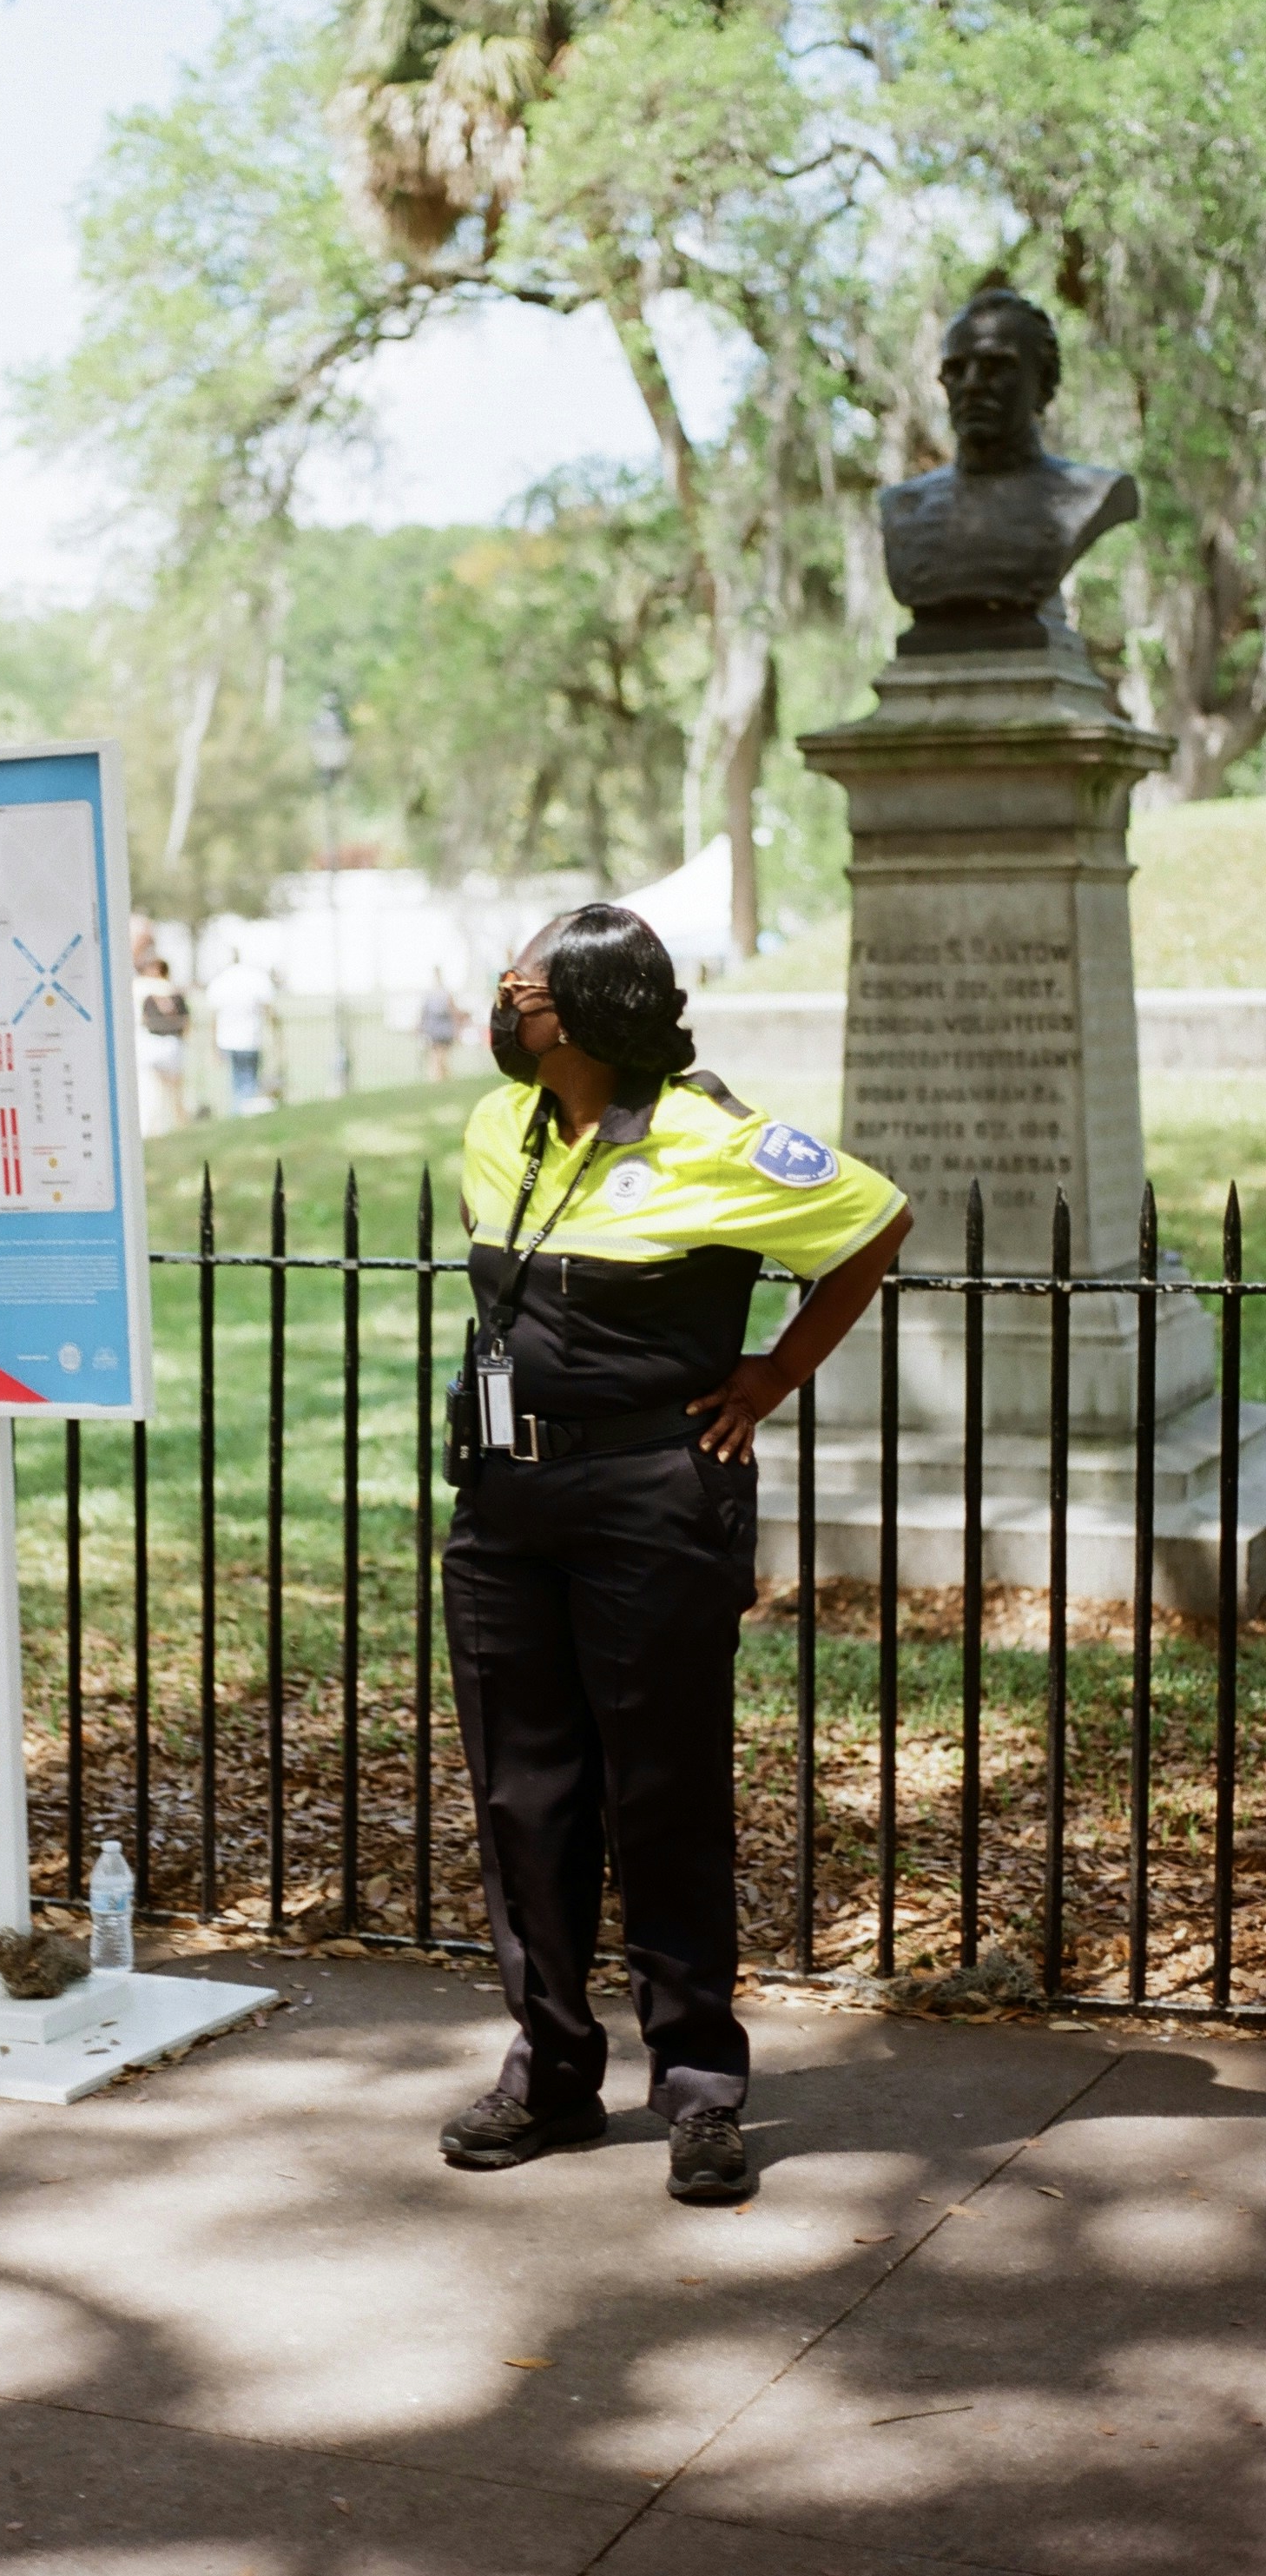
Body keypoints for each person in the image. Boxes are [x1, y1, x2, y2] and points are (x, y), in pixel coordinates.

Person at [438, 903, 911, 2203]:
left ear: (585, 1012)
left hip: (654, 1500)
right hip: (504, 1503)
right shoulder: (502, 1126)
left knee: (663, 1792)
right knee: (524, 1801)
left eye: (518, 990)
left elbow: (875, 1220)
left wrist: (770, 1376)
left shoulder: (719, 1138)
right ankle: (552, 2070)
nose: (500, 1006)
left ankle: (701, 2087)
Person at [206, 949, 274, 1115]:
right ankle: (241, 1116)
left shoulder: (220, 980)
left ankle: (238, 1114)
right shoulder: (255, 978)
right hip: (250, 1039)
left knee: (240, 1083)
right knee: (248, 1083)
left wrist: (214, 1047)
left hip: (227, 1041)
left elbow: (214, 1017)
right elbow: (268, 1008)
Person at [135, 957, 191, 1136]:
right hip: (163, 1043)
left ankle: (165, 1128)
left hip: (158, 1043)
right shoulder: (170, 992)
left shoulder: (147, 989)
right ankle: (163, 1128)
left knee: (163, 1091)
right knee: (162, 1091)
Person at [418, 969, 461, 1083]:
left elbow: (453, 1012)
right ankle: (439, 1078)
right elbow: (423, 1014)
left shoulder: (446, 994)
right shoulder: (429, 995)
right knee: (436, 1055)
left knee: (441, 1055)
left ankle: (440, 1078)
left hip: (444, 1030)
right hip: (433, 1030)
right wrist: (420, 1027)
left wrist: (456, 1029)